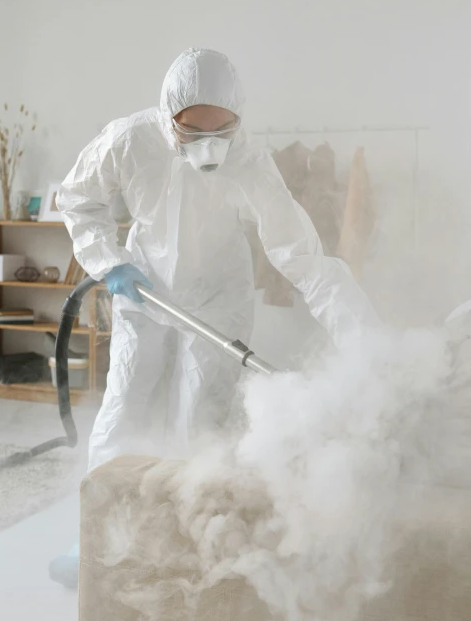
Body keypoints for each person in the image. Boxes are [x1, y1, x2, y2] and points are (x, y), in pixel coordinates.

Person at [49, 48, 377, 586]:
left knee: (196, 419)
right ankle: (94, 535)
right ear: (167, 117)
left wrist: (365, 342)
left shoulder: (249, 162)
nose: (208, 146)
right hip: (145, 288)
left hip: (218, 298)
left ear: (238, 121)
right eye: (192, 133)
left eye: (221, 132)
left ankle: (173, 537)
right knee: (125, 405)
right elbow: (77, 198)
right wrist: (111, 263)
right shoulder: (130, 140)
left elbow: (303, 257)